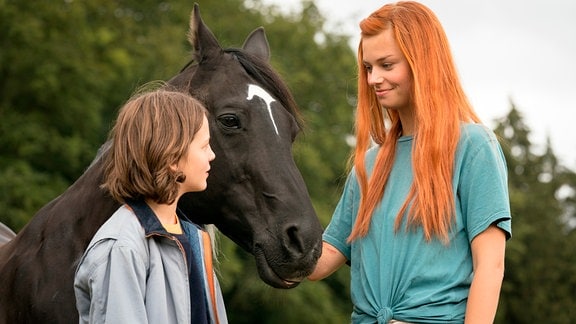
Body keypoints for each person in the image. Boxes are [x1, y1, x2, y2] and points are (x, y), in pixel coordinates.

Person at [308, 2, 511, 324]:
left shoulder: (473, 146)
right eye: (368, 68)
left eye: (387, 65)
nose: (374, 78)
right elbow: (322, 260)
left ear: (423, 62)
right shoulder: (369, 164)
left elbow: (490, 265)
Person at [74, 87, 227, 324]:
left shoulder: (194, 238)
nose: (212, 155)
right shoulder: (122, 248)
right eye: (204, 145)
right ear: (172, 158)